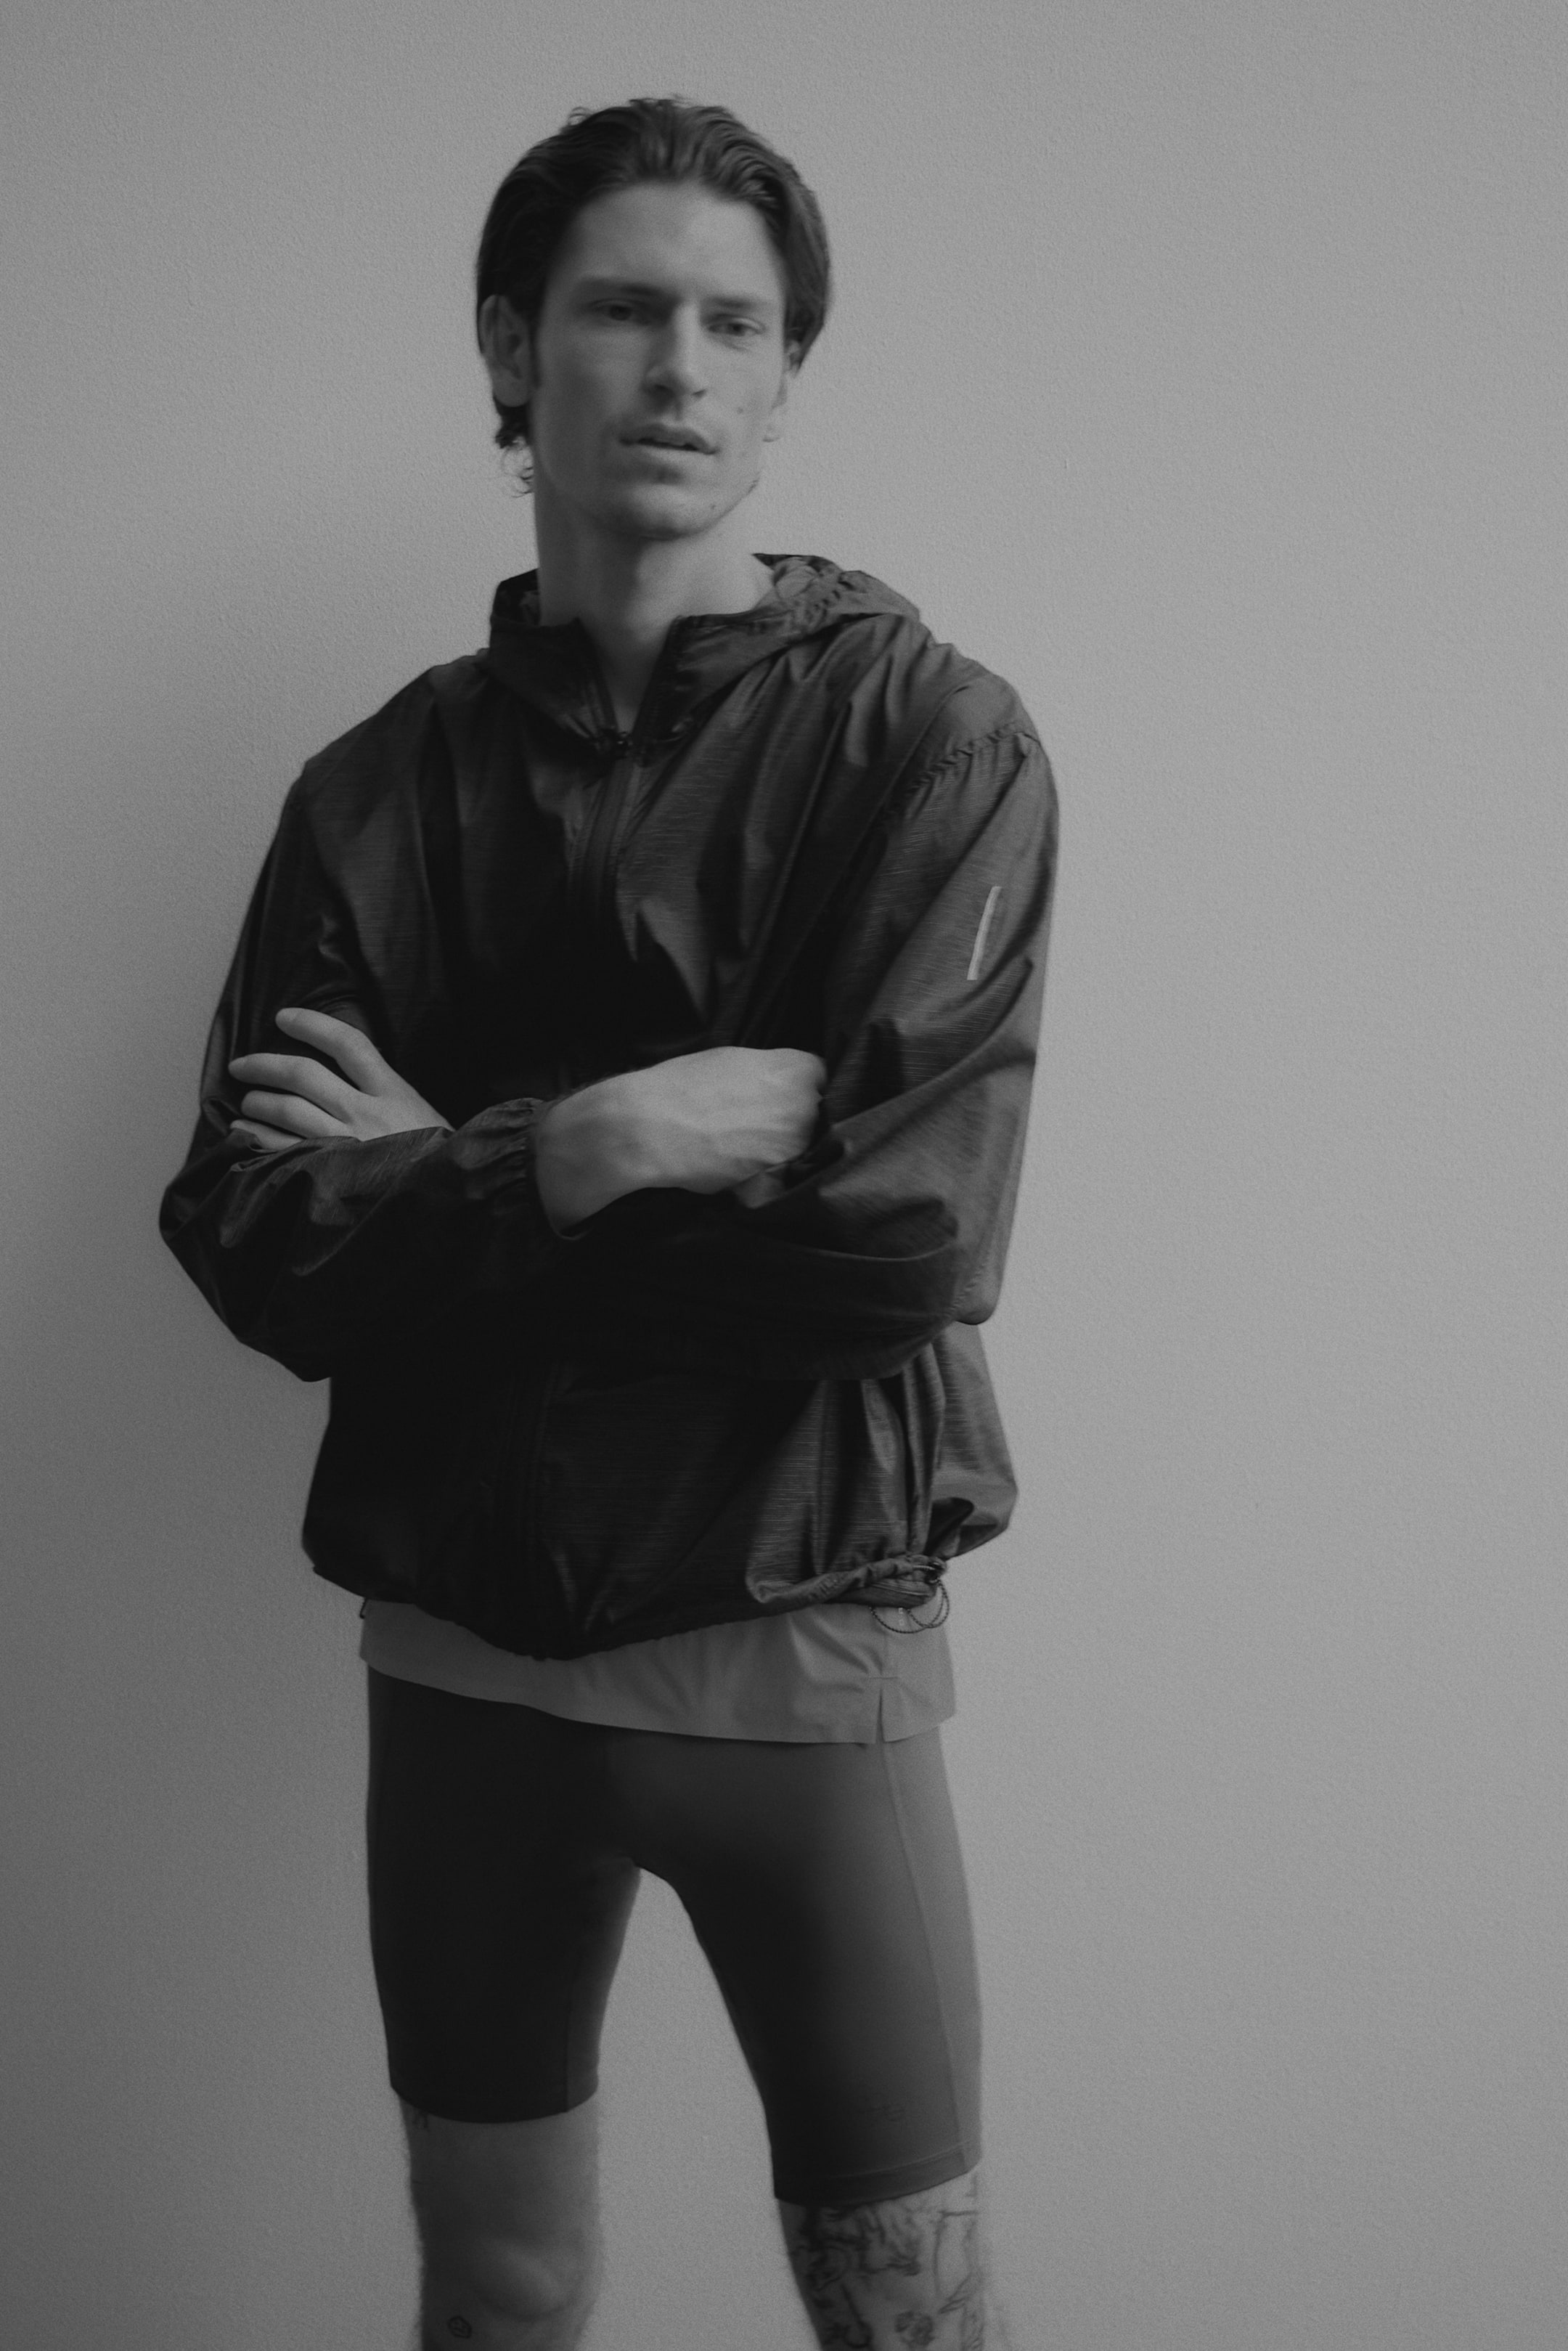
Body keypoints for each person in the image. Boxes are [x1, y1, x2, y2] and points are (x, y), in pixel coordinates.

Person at [161, 96, 1057, 2351]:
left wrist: (432, 1171)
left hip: (802, 1647)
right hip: (459, 1669)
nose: (681, 365)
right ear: (511, 348)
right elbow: (257, 1238)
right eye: (626, 308)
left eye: (736, 324)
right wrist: (584, 1144)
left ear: (785, 377)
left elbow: (899, 1247)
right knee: (493, 2299)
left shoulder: (931, 747)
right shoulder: (375, 791)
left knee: (912, 2314)